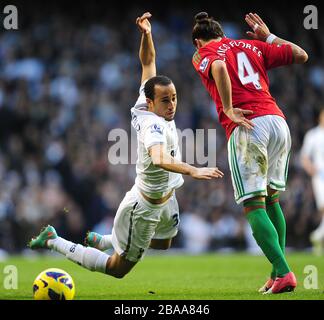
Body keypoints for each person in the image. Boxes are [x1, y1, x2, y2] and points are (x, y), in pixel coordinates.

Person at [28, 12, 223, 279]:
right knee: (116, 269)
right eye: (165, 101)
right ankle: (53, 240)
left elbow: (149, 61)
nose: (172, 105)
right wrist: (194, 170)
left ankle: (109, 239)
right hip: (144, 206)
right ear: (151, 103)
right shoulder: (151, 124)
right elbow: (159, 158)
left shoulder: (148, 98)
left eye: (174, 98)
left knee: (164, 243)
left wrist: (147, 35)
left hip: (168, 198)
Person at [191, 12, 308, 294]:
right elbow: (301, 54)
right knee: (272, 200)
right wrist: (268, 36)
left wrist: (229, 108)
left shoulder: (203, 52)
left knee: (253, 204)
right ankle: (276, 273)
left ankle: (283, 272)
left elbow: (218, 66)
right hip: (278, 122)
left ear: (198, 41)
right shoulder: (250, 45)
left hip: (248, 126)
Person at [301, 108, 324, 256]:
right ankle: (318, 236)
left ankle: (318, 235)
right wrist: (310, 169)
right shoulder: (313, 135)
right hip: (320, 176)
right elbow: (304, 156)